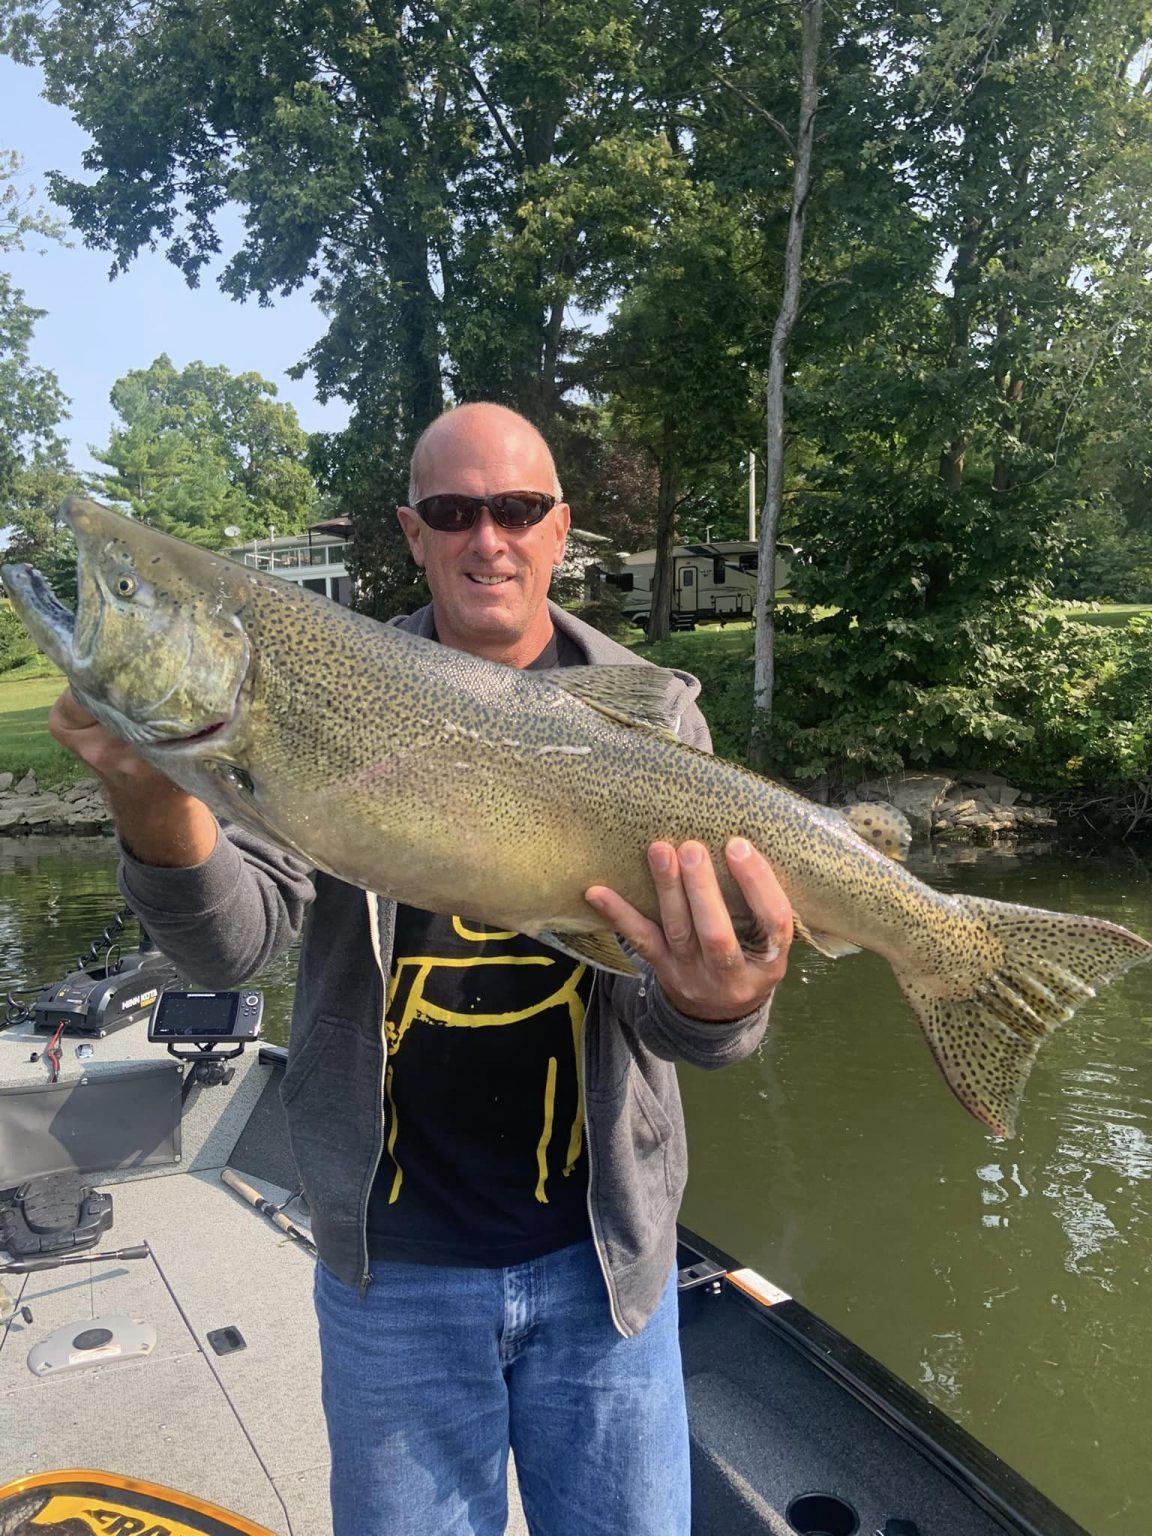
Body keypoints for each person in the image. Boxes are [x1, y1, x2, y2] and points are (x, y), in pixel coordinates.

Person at [48, 402, 793, 1536]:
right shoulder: (321, 687)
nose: (485, 538)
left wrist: (726, 1006)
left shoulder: (657, 728)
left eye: (516, 509)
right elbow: (233, 947)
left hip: (606, 1267)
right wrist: (150, 796)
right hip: (391, 1272)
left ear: (560, 529)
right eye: (453, 513)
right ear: (412, 532)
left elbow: (695, 1028)